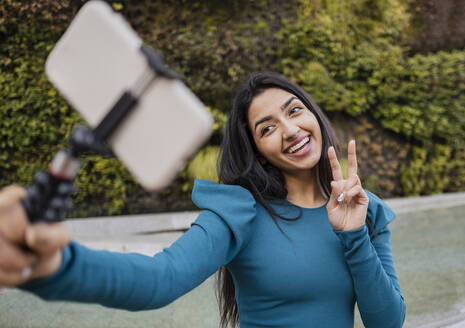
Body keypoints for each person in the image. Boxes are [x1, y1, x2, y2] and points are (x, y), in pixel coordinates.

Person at [0, 72, 405, 328]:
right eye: (267, 128)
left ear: (314, 116)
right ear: (258, 150)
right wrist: (53, 264)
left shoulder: (365, 210)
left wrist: (354, 236)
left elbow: (386, 322)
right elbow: (160, 279)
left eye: (294, 110)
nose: (290, 129)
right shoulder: (241, 212)